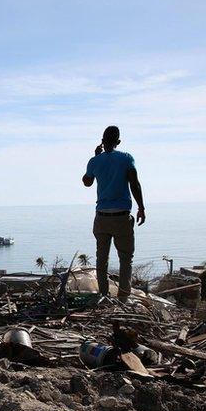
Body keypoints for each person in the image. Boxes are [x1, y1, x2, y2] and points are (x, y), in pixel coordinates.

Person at [82, 125, 145, 299]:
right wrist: (141, 208)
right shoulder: (126, 158)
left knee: (101, 260)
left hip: (102, 216)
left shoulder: (94, 161)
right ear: (118, 142)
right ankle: (123, 298)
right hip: (121, 217)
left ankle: (103, 295)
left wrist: (95, 158)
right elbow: (134, 184)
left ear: (102, 141)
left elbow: (87, 182)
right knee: (125, 259)